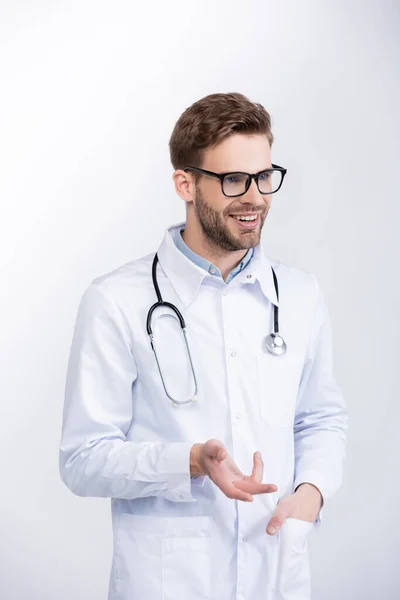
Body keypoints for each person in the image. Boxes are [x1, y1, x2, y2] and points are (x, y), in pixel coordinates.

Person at [59, 92, 348, 600]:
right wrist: (189, 460)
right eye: (233, 180)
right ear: (185, 184)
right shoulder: (116, 302)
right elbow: (83, 459)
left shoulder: (300, 296)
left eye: (263, 177)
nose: (255, 197)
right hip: (168, 582)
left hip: (275, 571)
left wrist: (311, 494)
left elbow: (321, 419)